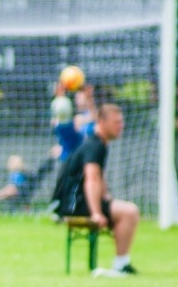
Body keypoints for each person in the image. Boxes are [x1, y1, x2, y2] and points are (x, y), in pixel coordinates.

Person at [53, 104, 140, 275]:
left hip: (79, 202)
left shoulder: (99, 143)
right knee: (130, 212)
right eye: (116, 122)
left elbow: (99, 178)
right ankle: (121, 264)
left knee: (125, 210)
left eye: (121, 122)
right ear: (102, 122)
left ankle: (122, 263)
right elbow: (91, 179)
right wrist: (96, 213)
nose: (120, 126)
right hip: (74, 205)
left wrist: (107, 198)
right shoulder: (94, 145)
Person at [0, 145, 61, 209]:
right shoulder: (26, 173)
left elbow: (13, 188)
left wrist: (0, 194)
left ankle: (0, 194)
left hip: (19, 197)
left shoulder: (17, 174)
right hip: (24, 198)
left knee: (11, 193)